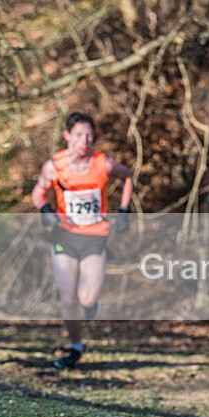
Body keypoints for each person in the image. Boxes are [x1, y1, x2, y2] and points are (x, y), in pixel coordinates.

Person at [31, 111, 134, 370]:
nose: (84, 141)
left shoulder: (103, 164)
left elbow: (128, 175)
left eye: (89, 136)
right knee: (68, 299)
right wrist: (45, 210)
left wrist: (124, 211)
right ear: (67, 135)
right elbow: (38, 193)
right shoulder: (54, 166)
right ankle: (76, 346)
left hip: (94, 236)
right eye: (78, 135)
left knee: (85, 299)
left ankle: (92, 305)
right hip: (64, 236)